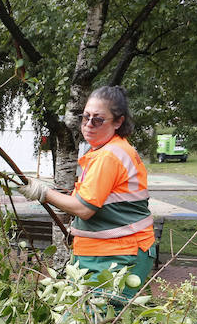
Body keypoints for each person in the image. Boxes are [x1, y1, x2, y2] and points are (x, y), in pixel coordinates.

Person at [20, 86, 156, 303]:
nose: (89, 125)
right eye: (85, 117)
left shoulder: (109, 156)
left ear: (118, 122)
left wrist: (42, 192)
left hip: (119, 255)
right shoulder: (105, 151)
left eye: (98, 120)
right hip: (105, 254)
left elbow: (84, 209)